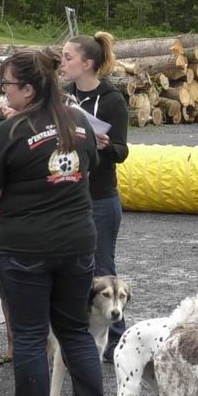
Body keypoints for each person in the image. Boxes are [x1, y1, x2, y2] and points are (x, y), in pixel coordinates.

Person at [0, 50, 110, 396]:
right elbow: (90, 167)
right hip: (77, 242)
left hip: (27, 247)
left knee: (30, 335)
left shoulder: (11, 131)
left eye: (7, 85)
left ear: (28, 89)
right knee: (75, 331)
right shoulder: (78, 121)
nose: (4, 92)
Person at [59, 32, 129, 361]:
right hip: (68, 197)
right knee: (71, 267)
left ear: (87, 64)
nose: (62, 63)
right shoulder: (64, 98)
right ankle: (77, 336)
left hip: (100, 198)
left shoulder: (112, 99)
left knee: (102, 268)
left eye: (68, 57)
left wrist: (106, 145)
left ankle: (117, 342)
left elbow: (122, 151)